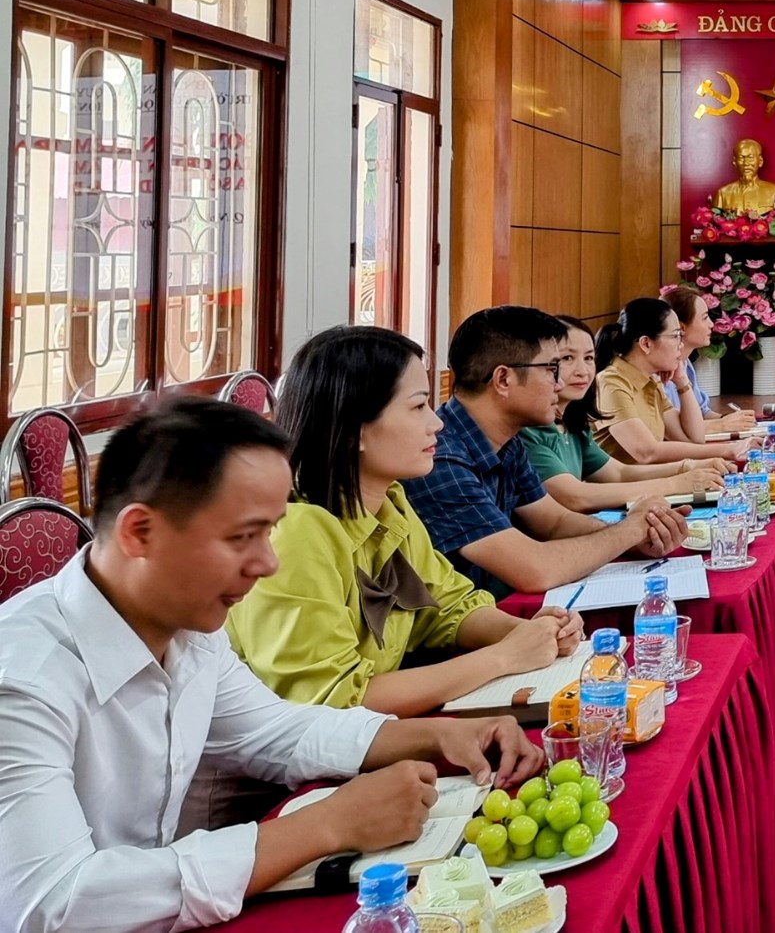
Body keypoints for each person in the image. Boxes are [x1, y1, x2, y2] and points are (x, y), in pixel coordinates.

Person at [0, 398, 542, 933]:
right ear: (140, 533)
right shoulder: (21, 678)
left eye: (270, 532)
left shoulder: (189, 631)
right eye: (243, 537)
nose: (268, 564)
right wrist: (326, 825)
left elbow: (277, 730)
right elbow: (54, 903)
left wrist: (439, 736)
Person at [227, 326, 583, 718]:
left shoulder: (388, 502)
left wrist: (528, 633)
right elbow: (334, 700)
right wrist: (503, 657)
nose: (437, 423)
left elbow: (447, 606)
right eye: (418, 407)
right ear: (357, 430)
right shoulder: (295, 532)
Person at [408, 306, 688, 598]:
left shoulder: (508, 441)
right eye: (552, 369)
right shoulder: (440, 459)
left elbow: (554, 522)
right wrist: (630, 531)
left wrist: (636, 538)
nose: (560, 383)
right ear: (503, 380)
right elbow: (534, 570)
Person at [525, 314, 729, 513]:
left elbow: (619, 473)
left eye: (588, 358)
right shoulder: (529, 429)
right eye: (567, 358)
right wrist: (677, 483)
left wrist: (688, 468)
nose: (583, 370)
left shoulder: (573, 422)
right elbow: (577, 497)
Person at [592, 297, 753, 466]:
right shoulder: (611, 383)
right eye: (675, 336)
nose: (681, 345)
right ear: (646, 343)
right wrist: (728, 450)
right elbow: (647, 452)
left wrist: (682, 381)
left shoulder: (651, 381)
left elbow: (693, 438)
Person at [658, 284, 756, 440]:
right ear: (681, 327)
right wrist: (721, 424)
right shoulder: (657, 373)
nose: (711, 324)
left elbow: (702, 412)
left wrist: (733, 420)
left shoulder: (685, 364)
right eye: (704, 318)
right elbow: (669, 430)